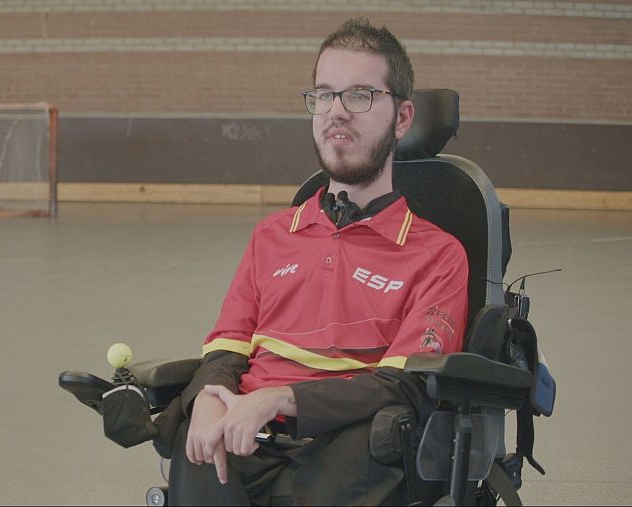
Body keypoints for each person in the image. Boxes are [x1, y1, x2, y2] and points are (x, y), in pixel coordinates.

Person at [167, 18, 470, 505]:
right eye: (324, 95)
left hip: (349, 445)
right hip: (247, 437)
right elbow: (226, 349)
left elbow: (404, 387)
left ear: (403, 117)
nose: (336, 112)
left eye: (360, 96)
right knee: (195, 445)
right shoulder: (272, 235)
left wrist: (282, 399)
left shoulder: (437, 254)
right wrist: (207, 397)